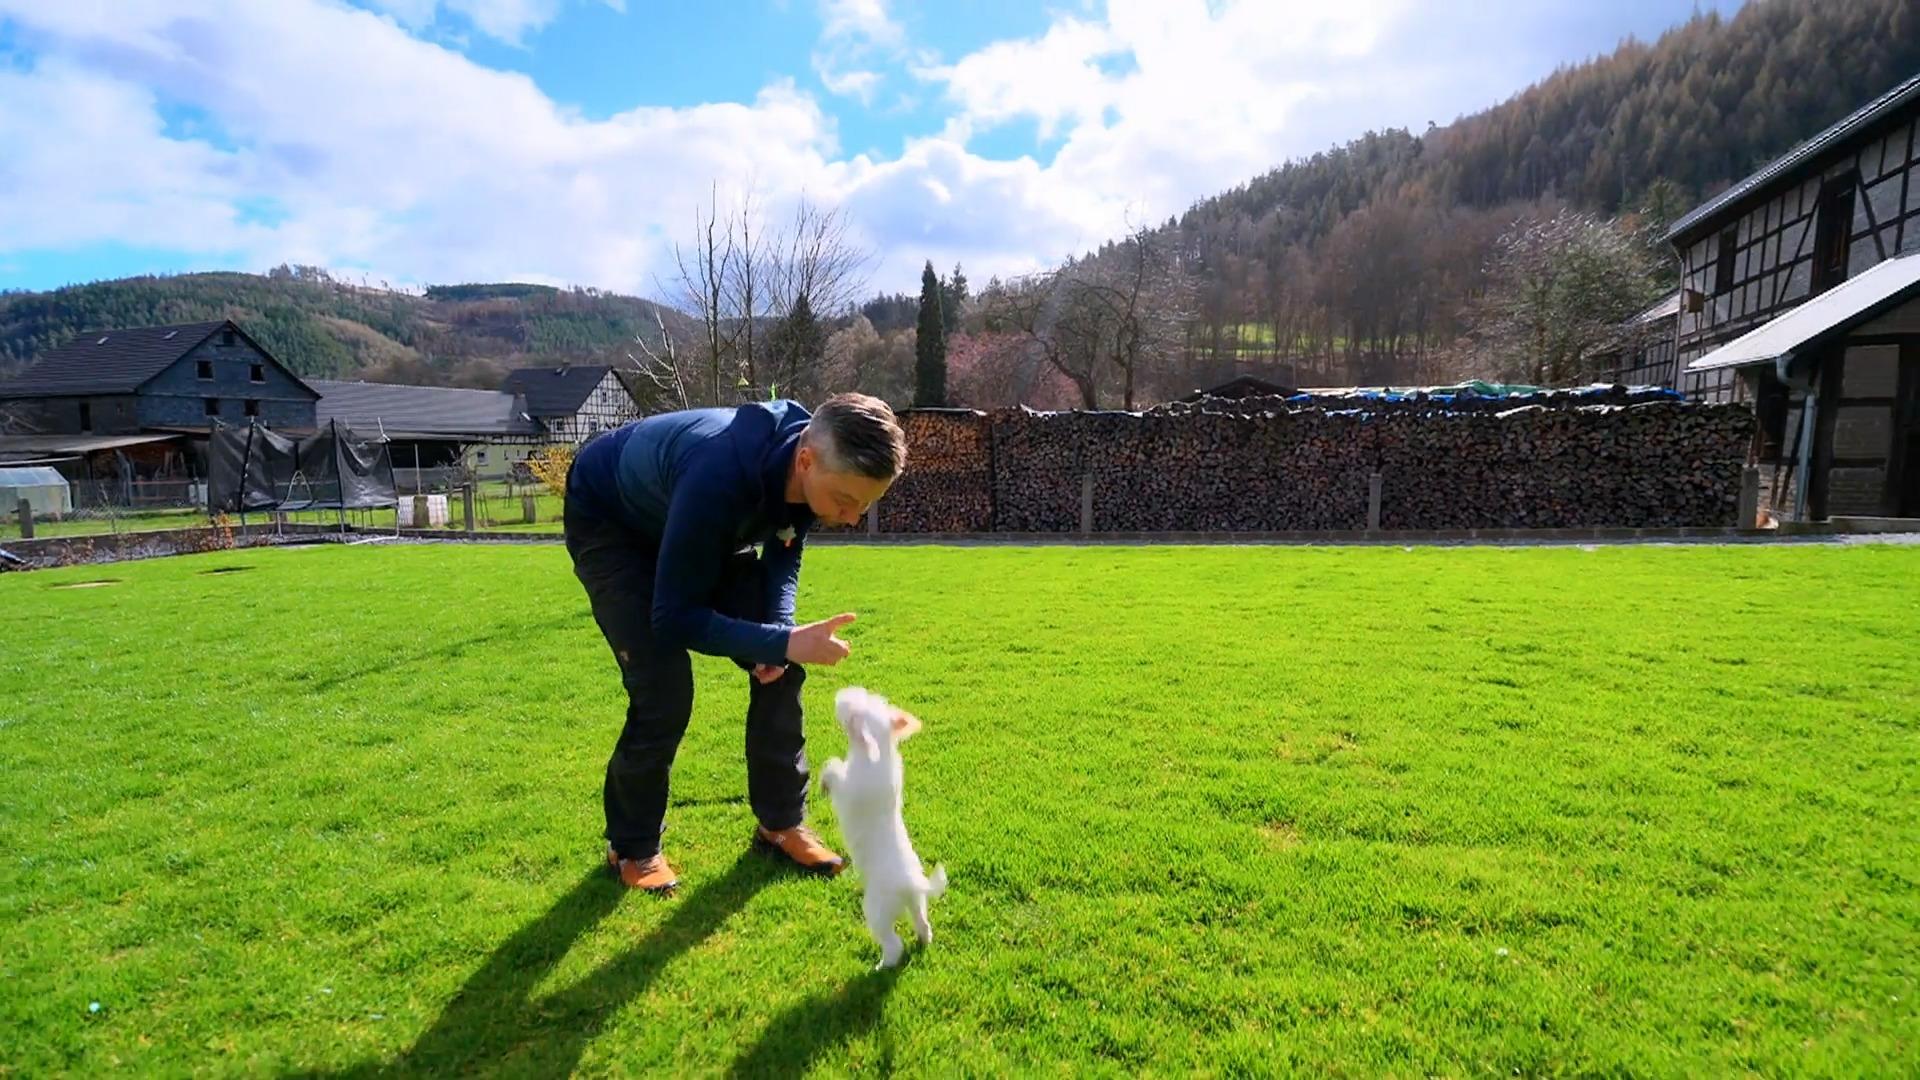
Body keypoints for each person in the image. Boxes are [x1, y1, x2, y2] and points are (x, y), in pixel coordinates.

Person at [562, 392, 906, 893]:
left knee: (783, 665)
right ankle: (632, 847)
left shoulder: (811, 466)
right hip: (612, 523)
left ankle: (781, 823)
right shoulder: (720, 472)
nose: (851, 517)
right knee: (663, 688)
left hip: (690, 521)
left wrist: (778, 638)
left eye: (865, 505)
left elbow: (784, 555)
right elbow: (674, 618)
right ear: (805, 461)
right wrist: (781, 640)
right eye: (846, 501)